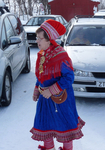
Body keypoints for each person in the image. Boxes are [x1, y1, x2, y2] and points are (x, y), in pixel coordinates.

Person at [31, 19, 85, 150]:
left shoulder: (61, 56)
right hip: (45, 98)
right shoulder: (42, 55)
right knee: (45, 125)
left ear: (49, 40)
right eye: (37, 38)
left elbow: (69, 77)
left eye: (40, 38)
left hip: (61, 98)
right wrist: (37, 89)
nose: (37, 41)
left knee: (65, 125)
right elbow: (41, 74)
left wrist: (52, 90)